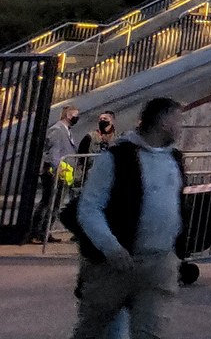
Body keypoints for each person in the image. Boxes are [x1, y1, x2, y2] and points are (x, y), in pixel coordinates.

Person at [69, 97, 188, 339]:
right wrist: (110, 246)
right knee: (94, 329)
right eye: (177, 119)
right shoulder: (116, 158)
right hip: (114, 262)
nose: (181, 126)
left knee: (150, 331)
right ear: (162, 121)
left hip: (159, 262)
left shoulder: (174, 159)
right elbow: (90, 207)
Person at [33, 105, 82, 244]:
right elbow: (53, 152)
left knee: (54, 203)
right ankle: (39, 231)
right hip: (55, 173)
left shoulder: (66, 130)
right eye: (75, 115)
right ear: (68, 115)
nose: (77, 118)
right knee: (49, 202)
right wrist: (56, 168)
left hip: (63, 172)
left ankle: (44, 231)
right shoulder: (57, 130)